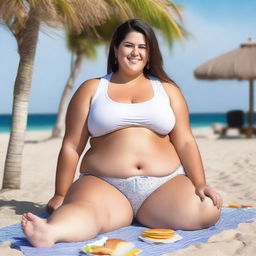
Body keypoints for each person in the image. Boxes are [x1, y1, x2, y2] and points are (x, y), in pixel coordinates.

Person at [21, 19, 222, 248]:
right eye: (128, 45)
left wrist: (199, 183)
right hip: (104, 184)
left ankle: (145, 213)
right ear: (116, 49)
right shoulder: (92, 88)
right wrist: (60, 193)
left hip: (164, 185)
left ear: (149, 54)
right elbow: (71, 146)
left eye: (142, 47)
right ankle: (50, 232)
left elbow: (185, 140)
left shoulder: (167, 89)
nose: (135, 52)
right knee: (82, 214)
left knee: (206, 210)